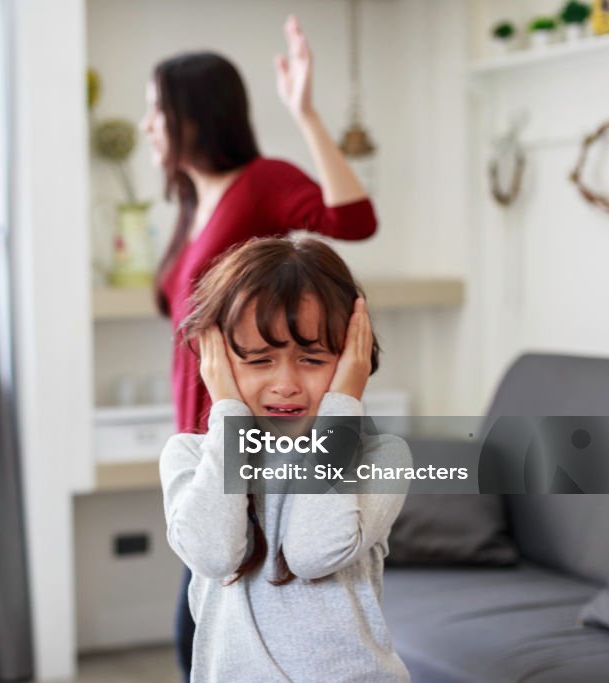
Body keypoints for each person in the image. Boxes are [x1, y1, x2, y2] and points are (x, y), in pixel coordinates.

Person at [141, 15, 379, 679]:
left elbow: (352, 219)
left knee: (222, 598)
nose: (147, 125)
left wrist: (303, 112)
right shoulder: (192, 200)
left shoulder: (261, 181)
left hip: (255, 427)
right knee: (208, 591)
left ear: (194, 114)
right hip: (208, 427)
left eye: (157, 110)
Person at [160, 236, 410, 682]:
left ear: (351, 358)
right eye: (259, 360)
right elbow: (215, 554)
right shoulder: (191, 457)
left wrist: (342, 404)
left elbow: (315, 552)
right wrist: (229, 417)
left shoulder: (382, 457)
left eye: (312, 359)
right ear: (217, 361)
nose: (286, 383)